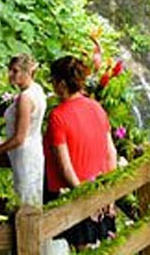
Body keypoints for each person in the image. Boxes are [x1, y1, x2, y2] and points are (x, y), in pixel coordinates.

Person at [43, 55, 119, 249]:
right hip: (101, 188)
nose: (52, 85)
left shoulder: (58, 116)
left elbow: (64, 165)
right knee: (105, 247)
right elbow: (111, 153)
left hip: (75, 192)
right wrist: (109, 191)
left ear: (61, 83)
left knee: (80, 247)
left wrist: (84, 198)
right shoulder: (96, 107)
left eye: (52, 80)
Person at [0, 54, 46, 207]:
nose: (10, 75)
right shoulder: (37, 90)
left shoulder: (25, 98)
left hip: (24, 153)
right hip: (34, 149)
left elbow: (20, 138)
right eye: (10, 70)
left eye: (15, 71)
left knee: (25, 199)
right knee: (31, 196)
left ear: (28, 72)